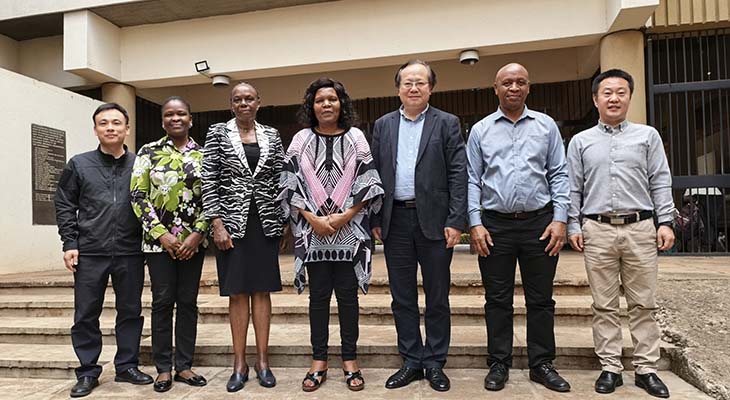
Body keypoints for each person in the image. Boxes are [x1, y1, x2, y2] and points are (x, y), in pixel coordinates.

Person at [567, 69, 675, 398]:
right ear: (595, 99)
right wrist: (573, 224)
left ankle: (646, 369)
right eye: (607, 93)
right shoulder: (581, 141)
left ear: (629, 96)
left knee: (644, 303)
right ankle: (610, 367)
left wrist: (666, 221)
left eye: (621, 92)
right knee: (604, 304)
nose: (614, 98)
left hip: (640, 228)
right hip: (597, 229)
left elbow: (660, 179)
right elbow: (573, 188)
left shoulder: (647, 137)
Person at [467, 63, 571, 393]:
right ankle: (499, 362)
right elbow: (472, 179)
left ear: (528, 87)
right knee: (497, 300)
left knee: (541, 299)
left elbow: (559, 174)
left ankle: (542, 364)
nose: (514, 87)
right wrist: (474, 223)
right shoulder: (480, 130)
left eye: (520, 82)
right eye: (507, 82)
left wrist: (560, 218)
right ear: (495, 89)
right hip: (495, 226)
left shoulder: (546, 126)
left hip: (540, 224)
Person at [279, 77, 383, 393]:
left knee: (348, 299)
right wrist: (313, 219)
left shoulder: (356, 138)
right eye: (320, 100)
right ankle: (319, 360)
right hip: (313, 234)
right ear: (312, 106)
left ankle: (350, 359)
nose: (326, 104)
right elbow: (289, 183)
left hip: (349, 233)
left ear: (341, 104)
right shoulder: (300, 140)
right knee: (319, 298)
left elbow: (369, 182)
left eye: (332, 99)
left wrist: (344, 216)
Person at [370, 60, 467, 392]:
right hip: (395, 220)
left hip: (436, 222)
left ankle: (435, 361)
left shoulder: (447, 123)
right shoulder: (383, 125)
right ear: (398, 88)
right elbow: (373, 174)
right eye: (407, 83)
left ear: (431, 88)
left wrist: (456, 220)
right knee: (402, 296)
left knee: (437, 296)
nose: (413, 88)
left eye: (420, 83)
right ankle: (411, 359)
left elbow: (458, 173)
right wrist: (375, 218)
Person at [54, 103, 153, 398]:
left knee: (130, 311)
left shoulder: (141, 165)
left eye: (116, 122)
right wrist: (70, 243)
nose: (110, 127)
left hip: (130, 251)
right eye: (104, 123)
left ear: (127, 128)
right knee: (86, 314)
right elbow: (64, 204)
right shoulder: (79, 164)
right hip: (90, 251)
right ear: (95, 129)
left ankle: (127, 366)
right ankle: (87, 371)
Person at [201, 82, 285, 392]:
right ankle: (239, 363)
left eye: (249, 98)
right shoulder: (217, 133)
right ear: (231, 104)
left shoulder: (272, 135)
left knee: (262, 291)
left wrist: (283, 219)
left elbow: (281, 177)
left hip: (265, 222)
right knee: (237, 293)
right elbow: (208, 178)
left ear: (258, 102)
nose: (243, 103)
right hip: (231, 225)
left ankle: (262, 361)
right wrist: (216, 222)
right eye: (237, 99)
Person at [130, 96, 208, 392]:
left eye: (181, 114)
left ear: (190, 119)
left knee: (187, 302)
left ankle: (184, 366)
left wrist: (197, 234)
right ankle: (163, 368)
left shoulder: (204, 155)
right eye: (170, 115)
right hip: (158, 244)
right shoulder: (148, 152)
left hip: (192, 244)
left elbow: (212, 198)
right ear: (163, 121)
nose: (176, 118)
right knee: (162, 302)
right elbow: (138, 195)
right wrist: (161, 234)